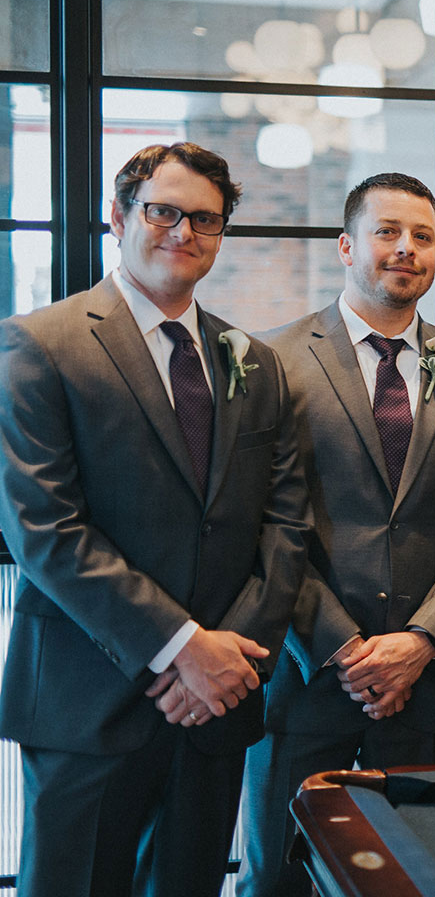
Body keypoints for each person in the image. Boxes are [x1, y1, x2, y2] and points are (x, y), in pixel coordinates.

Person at [0, 142, 312, 896]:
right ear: (119, 216)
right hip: (90, 700)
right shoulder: (41, 344)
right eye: (163, 211)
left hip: (219, 702)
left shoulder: (255, 361)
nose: (184, 231)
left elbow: (286, 525)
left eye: (205, 219)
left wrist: (231, 663)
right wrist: (180, 648)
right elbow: (45, 529)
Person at [240, 173, 435, 896]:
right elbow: (270, 525)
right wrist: (345, 647)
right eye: (387, 232)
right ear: (346, 245)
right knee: (279, 879)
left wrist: (421, 642)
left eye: (423, 237)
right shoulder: (275, 360)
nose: (407, 249)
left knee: (429, 878)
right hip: (308, 680)